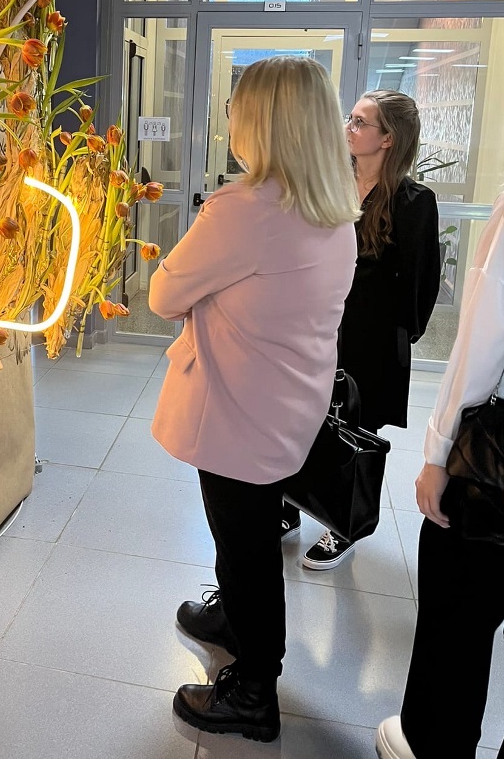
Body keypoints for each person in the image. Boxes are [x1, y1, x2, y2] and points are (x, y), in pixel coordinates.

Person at [148, 56, 360, 740]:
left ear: (260, 123)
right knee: (247, 530)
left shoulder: (244, 211)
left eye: (237, 107)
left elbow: (163, 295)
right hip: (289, 405)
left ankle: (253, 691)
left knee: (246, 546)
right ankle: (232, 622)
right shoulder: (336, 208)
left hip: (238, 412)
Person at [377, 190, 504, 759]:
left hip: (494, 463)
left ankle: (432, 746)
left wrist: (440, 451)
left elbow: (484, 339)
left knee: (457, 620)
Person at [299, 90, 441, 570]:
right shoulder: (332, 184)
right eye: (351, 118)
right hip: (318, 328)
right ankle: (290, 506)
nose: (349, 128)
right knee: (302, 420)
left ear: (388, 139)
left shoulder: (413, 202)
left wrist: (397, 336)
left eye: (361, 122)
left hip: (372, 340)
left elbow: (421, 283)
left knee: (354, 434)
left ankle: (344, 525)